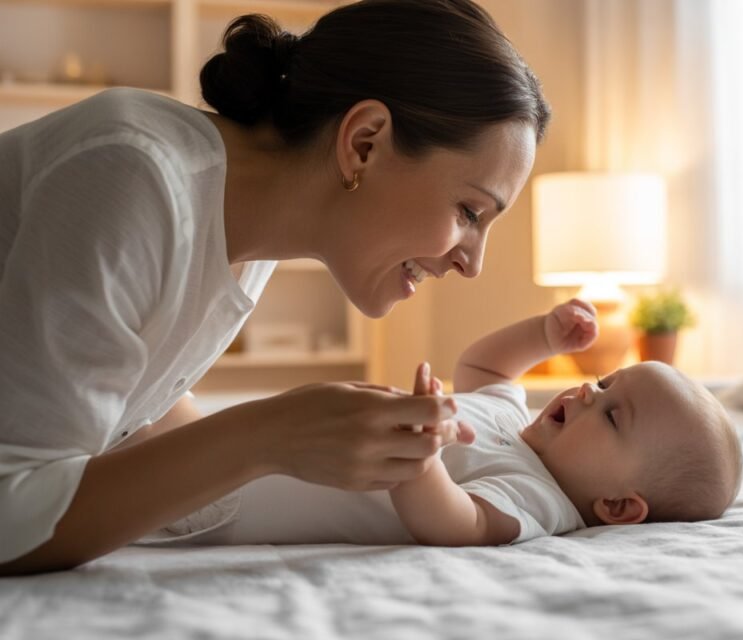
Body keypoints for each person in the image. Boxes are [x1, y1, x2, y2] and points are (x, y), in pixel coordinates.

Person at [0, 0, 549, 574]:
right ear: (365, 141)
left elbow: (135, 403)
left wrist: (338, 450)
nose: (472, 263)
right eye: (469, 211)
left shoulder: (247, 229)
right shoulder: (135, 176)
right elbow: (13, 516)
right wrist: (270, 433)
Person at [157, 299, 743, 547]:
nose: (589, 390)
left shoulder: (540, 499)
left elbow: (458, 524)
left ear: (616, 506)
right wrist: (543, 335)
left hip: (229, 497)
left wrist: (422, 458)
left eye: (613, 413)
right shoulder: (514, 420)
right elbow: (483, 367)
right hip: (240, 445)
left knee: (143, 397)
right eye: (606, 381)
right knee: (152, 379)